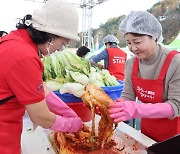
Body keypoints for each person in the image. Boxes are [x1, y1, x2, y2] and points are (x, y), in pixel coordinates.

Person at [0, 0, 83, 153]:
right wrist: (72, 125)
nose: (60, 49)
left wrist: (66, 111)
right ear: (51, 36)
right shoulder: (24, 56)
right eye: (63, 43)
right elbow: (41, 117)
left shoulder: (16, 41)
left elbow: (38, 88)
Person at [108, 11, 180, 142]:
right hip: (146, 135)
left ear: (154, 37)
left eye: (137, 42)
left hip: (173, 137)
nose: (133, 48)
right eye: (129, 43)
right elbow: (128, 96)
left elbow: (176, 106)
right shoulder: (131, 63)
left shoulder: (175, 62)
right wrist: (116, 106)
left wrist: (137, 109)